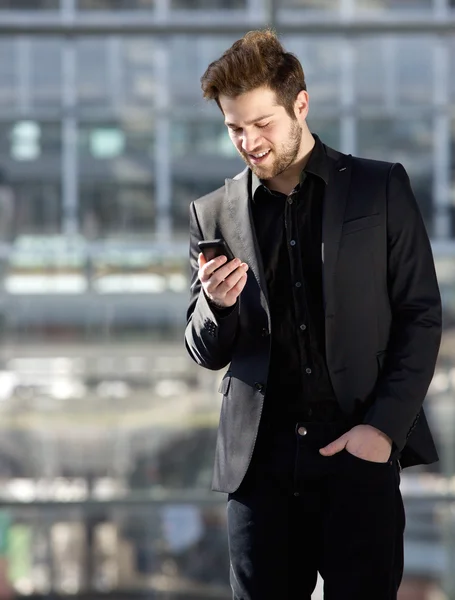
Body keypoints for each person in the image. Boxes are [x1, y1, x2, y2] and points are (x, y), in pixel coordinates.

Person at [184, 29, 442, 600]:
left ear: (300, 104)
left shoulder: (380, 187)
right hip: (259, 468)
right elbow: (205, 348)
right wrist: (215, 305)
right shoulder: (213, 213)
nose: (248, 142)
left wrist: (381, 433)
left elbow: (421, 315)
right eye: (234, 128)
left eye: (261, 123)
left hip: (357, 447)